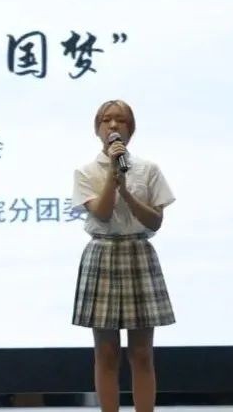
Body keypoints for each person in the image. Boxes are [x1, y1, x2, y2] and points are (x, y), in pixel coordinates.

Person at [71, 99, 176, 412]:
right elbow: (102, 212)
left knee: (142, 352)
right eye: (106, 120)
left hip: (138, 252)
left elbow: (155, 221)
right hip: (102, 253)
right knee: (106, 352)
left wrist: (127, 192)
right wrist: (112, 177)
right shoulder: (85, 171)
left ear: (131, 129)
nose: (113, 125)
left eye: (121, 120)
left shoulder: (148, 169)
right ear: (97, 129)